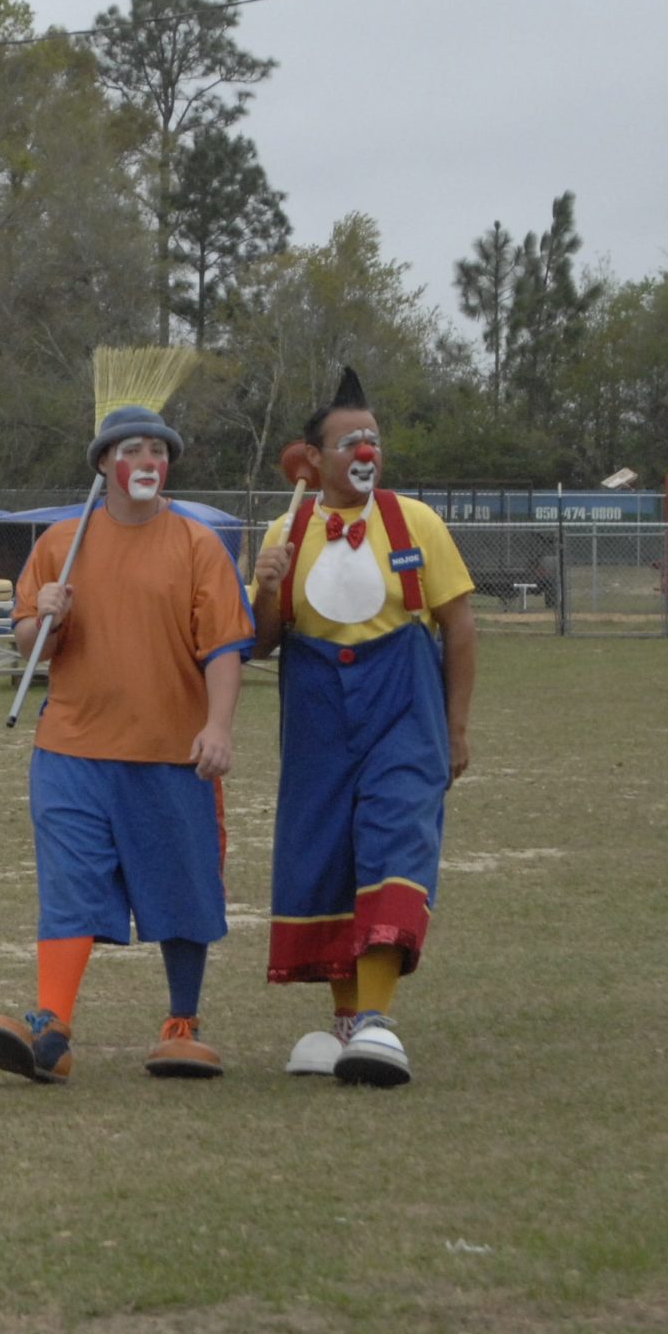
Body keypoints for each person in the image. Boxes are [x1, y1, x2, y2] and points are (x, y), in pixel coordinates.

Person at [0, 405, 256, 1083]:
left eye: (159, 449)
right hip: (70, 751)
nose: (149, 460)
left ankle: (182, 1024)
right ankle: (50, 1028)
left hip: (172, 754)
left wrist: (218, 725)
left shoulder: (196, 545)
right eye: (134, 449)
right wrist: (50, 619)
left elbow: (225, 650)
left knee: (184, 887)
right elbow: (30, 647)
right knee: (70, 885)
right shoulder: (61, 545)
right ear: (104, 465)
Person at [249, 368, 476, 1087]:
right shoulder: (283, 532)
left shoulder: (417, 525)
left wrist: (457, 727)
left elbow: (459, 628)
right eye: (349, 439)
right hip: (317, 708)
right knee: (327, 853)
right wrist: (263, 586)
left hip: (404, 704)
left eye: (373, 438)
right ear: (310, 459)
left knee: (395, 838)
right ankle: (345, 1025)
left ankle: (377, 1017)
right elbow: (258, 644)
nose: (366, 449)